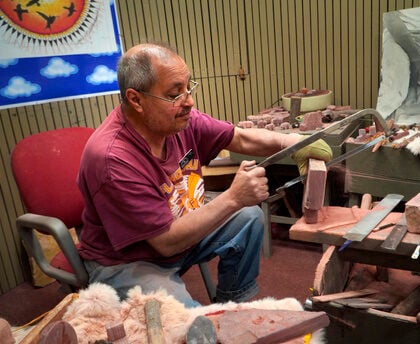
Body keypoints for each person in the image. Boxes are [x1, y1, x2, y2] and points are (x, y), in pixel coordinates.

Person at [77, 42, 332, 308]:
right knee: (189, 324)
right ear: (136, 99)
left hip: (177, 233)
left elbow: (240, 138)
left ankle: (231, 306)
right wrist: (233, 197)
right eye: (175, 94)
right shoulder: (112, 158)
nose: (189, 101)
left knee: (248, 218)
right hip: (130, 260)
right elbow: (164, 243)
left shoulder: (178, 120)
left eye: (189, 87)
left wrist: (291, 142)